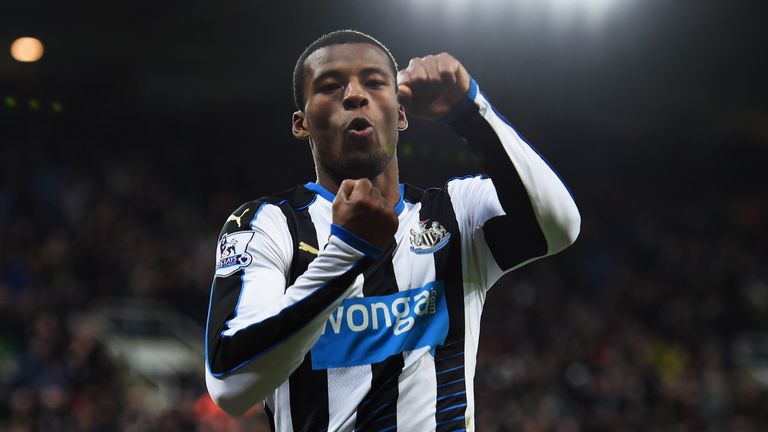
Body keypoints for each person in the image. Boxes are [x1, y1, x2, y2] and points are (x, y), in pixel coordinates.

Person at [205, 30, 580, 431]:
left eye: (374, 82)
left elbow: (559, 225)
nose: (354, 94)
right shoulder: (267, 224)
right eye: (330, 87)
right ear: (302, 124)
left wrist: (470, 110)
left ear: (401, 114)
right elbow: (231, 385)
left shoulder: (455, 212)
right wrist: (347, 252)